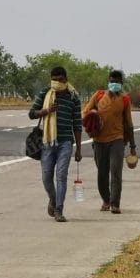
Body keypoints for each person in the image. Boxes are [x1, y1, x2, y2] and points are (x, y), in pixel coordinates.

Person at [28, 66, 83, 222]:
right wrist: (47, 111)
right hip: (47, 142)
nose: (58, 82)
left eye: (61, 80)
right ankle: (53, 199)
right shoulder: (45, 93)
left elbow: (77, 124)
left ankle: (59, 209)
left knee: (61, 176)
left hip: (65, 142)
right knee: (46, 177)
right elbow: (32, 113)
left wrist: (78, 148)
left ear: (66, 79)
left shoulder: (73, 96)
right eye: (55, 80)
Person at [83, 70, 136, 214]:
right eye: (112, 81)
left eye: (117, 82)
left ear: (121, 84)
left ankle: (115, 203)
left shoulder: (124, 100)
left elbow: (129, 123)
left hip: (117, 140)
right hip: (99, 141)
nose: (114, 84)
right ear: (108, 81)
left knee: (116, 172)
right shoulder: (99, 95)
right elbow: (85, 113)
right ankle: (106, 200)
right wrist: (93, 114)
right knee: (102, 173)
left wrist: (133, 146)